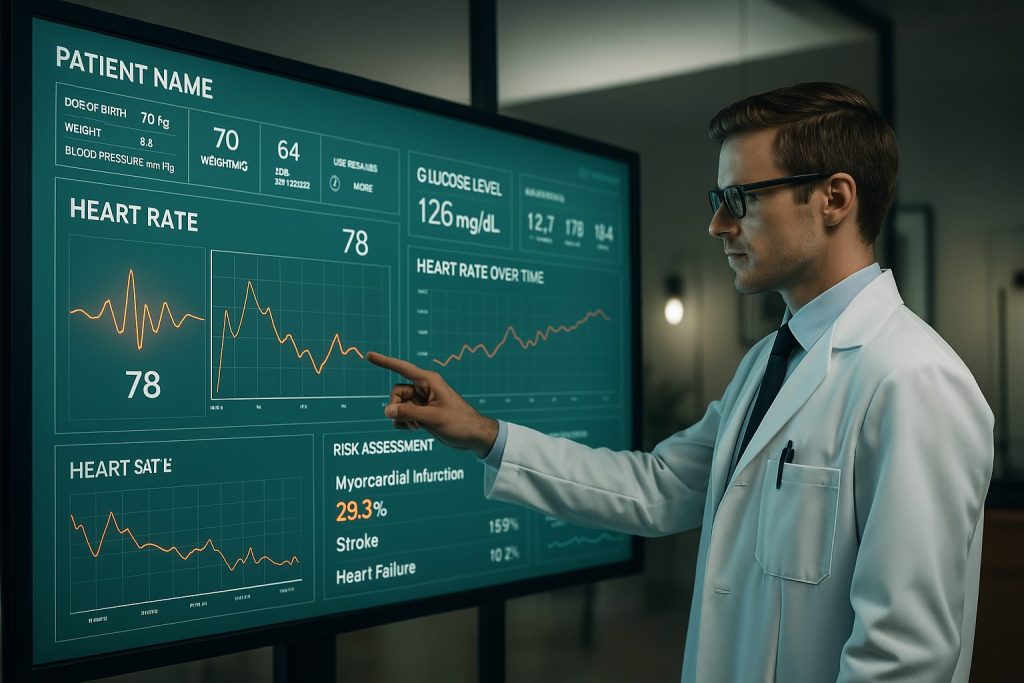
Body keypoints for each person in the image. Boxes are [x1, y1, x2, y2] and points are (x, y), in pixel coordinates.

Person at [366, 82, 994, 682]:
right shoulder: (771, 361)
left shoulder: (914, 381)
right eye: (717, 199)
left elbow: (904, 657)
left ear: (834, 198)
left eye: (741, 198)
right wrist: (483, 433)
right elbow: (661, 486)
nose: (718, 225)